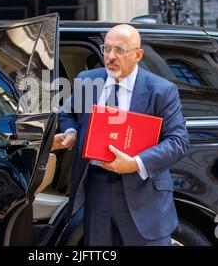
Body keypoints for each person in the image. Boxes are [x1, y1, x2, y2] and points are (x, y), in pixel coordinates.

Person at [52, 24, 190, 246]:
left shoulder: (161, 90)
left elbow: (178, 142)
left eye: (119, 50)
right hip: (97, 190)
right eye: (106, 49)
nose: (110, 56)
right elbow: (68, 112)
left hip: (144, 194)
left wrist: (135, 163)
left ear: (138, 54)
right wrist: (71, 132)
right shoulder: (87, 81)